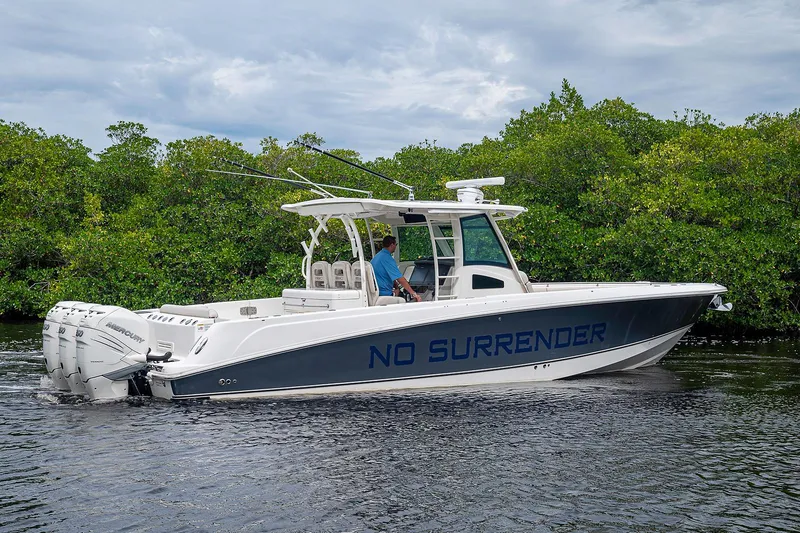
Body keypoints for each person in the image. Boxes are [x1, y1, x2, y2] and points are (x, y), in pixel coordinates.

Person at [371, 236, 422, 302]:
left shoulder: (377, 256)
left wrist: (397, 287)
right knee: (406, 300)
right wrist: (414, 294)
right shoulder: (387, 259)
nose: (396, 246)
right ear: (392, 245)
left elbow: (389, 276)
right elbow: (400, 279)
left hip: (377, 291)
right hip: (385, 293)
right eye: (396, 244)